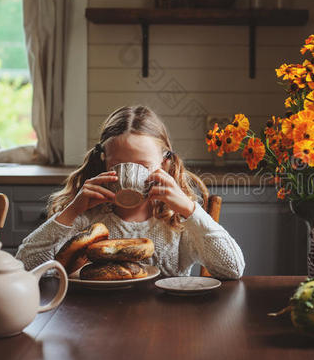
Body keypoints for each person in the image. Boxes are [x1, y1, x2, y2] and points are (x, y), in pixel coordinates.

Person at [16, 106, 245, 279]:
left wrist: (189, 209)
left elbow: (232, 269)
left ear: (164, 164)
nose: (130, 175)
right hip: (95, 323)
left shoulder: (178, 221)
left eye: (143, 166)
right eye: (119, 165)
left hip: (168, 327)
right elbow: (26, 267)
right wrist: (71, 211)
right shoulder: (87, 218)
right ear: (105, 163)